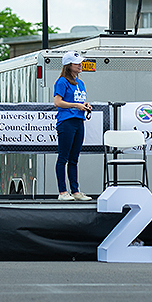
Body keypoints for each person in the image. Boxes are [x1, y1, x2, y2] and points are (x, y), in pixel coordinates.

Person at [53, 51, 93, 202]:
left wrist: (85, 105)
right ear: (69, 65)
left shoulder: (80, 83)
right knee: (63, 157)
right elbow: (58, 102)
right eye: (77, 63)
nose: (80, 65)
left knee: (74, 158)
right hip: (66, 122)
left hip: (78, 121)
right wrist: (76, 105)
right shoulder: (62, 81)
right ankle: (63, 192)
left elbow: (79, 101)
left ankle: (75, 191)